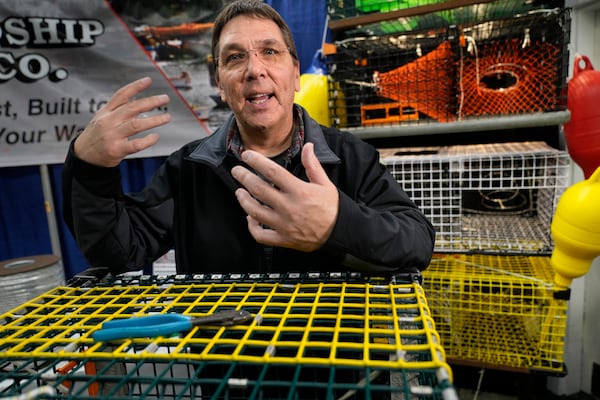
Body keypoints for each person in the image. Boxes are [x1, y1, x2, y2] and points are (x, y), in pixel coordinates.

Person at [62, 0, 435, 277]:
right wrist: (90, 168)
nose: (255, 70)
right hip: (228, 373)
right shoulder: (189, 169)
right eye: (235, 58)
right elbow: (119, 252)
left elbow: (415, 243)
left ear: (295, 74)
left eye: (270, 52)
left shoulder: (349, 158)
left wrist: (336, 225)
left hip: (338, 374)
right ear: (220, 84)